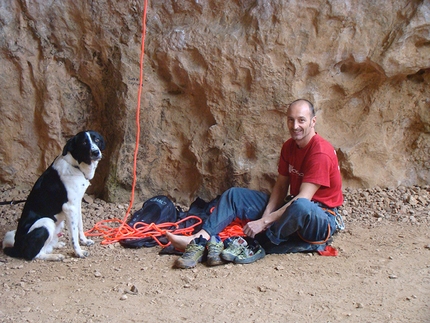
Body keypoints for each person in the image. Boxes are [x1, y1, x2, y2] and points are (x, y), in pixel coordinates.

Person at [166, 99, 344, 268]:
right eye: (291, 120)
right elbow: (281, 186)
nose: (295, 126)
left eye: (301, 120)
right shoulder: (289, 146)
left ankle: (258, 244)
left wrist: (264, 223)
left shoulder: (320, 152)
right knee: (234, 195)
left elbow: (303, 199)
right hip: (293, 205)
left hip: (320, 216)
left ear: (313, 121)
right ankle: (199, 238)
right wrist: (264, 217)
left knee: (301, 206)